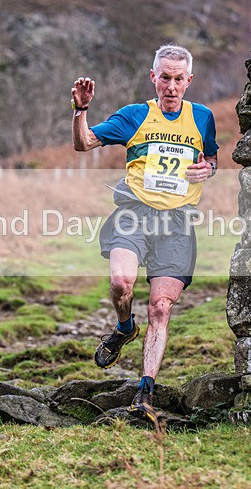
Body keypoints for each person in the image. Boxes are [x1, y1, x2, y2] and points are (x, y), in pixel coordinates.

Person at [70, 44, 219, 421]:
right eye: (164, 78)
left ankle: (145, 390)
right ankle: (124, 328)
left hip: (178, 222)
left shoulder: (202, 117)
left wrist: (209, 169)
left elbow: (212, 158)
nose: (171, 86)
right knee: (121, 282)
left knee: (160, 306)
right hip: (134, 214)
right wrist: (81, 111)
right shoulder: (135, 116)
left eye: (178, 79)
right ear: (154, 78)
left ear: (189, 81)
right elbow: (83, 143)